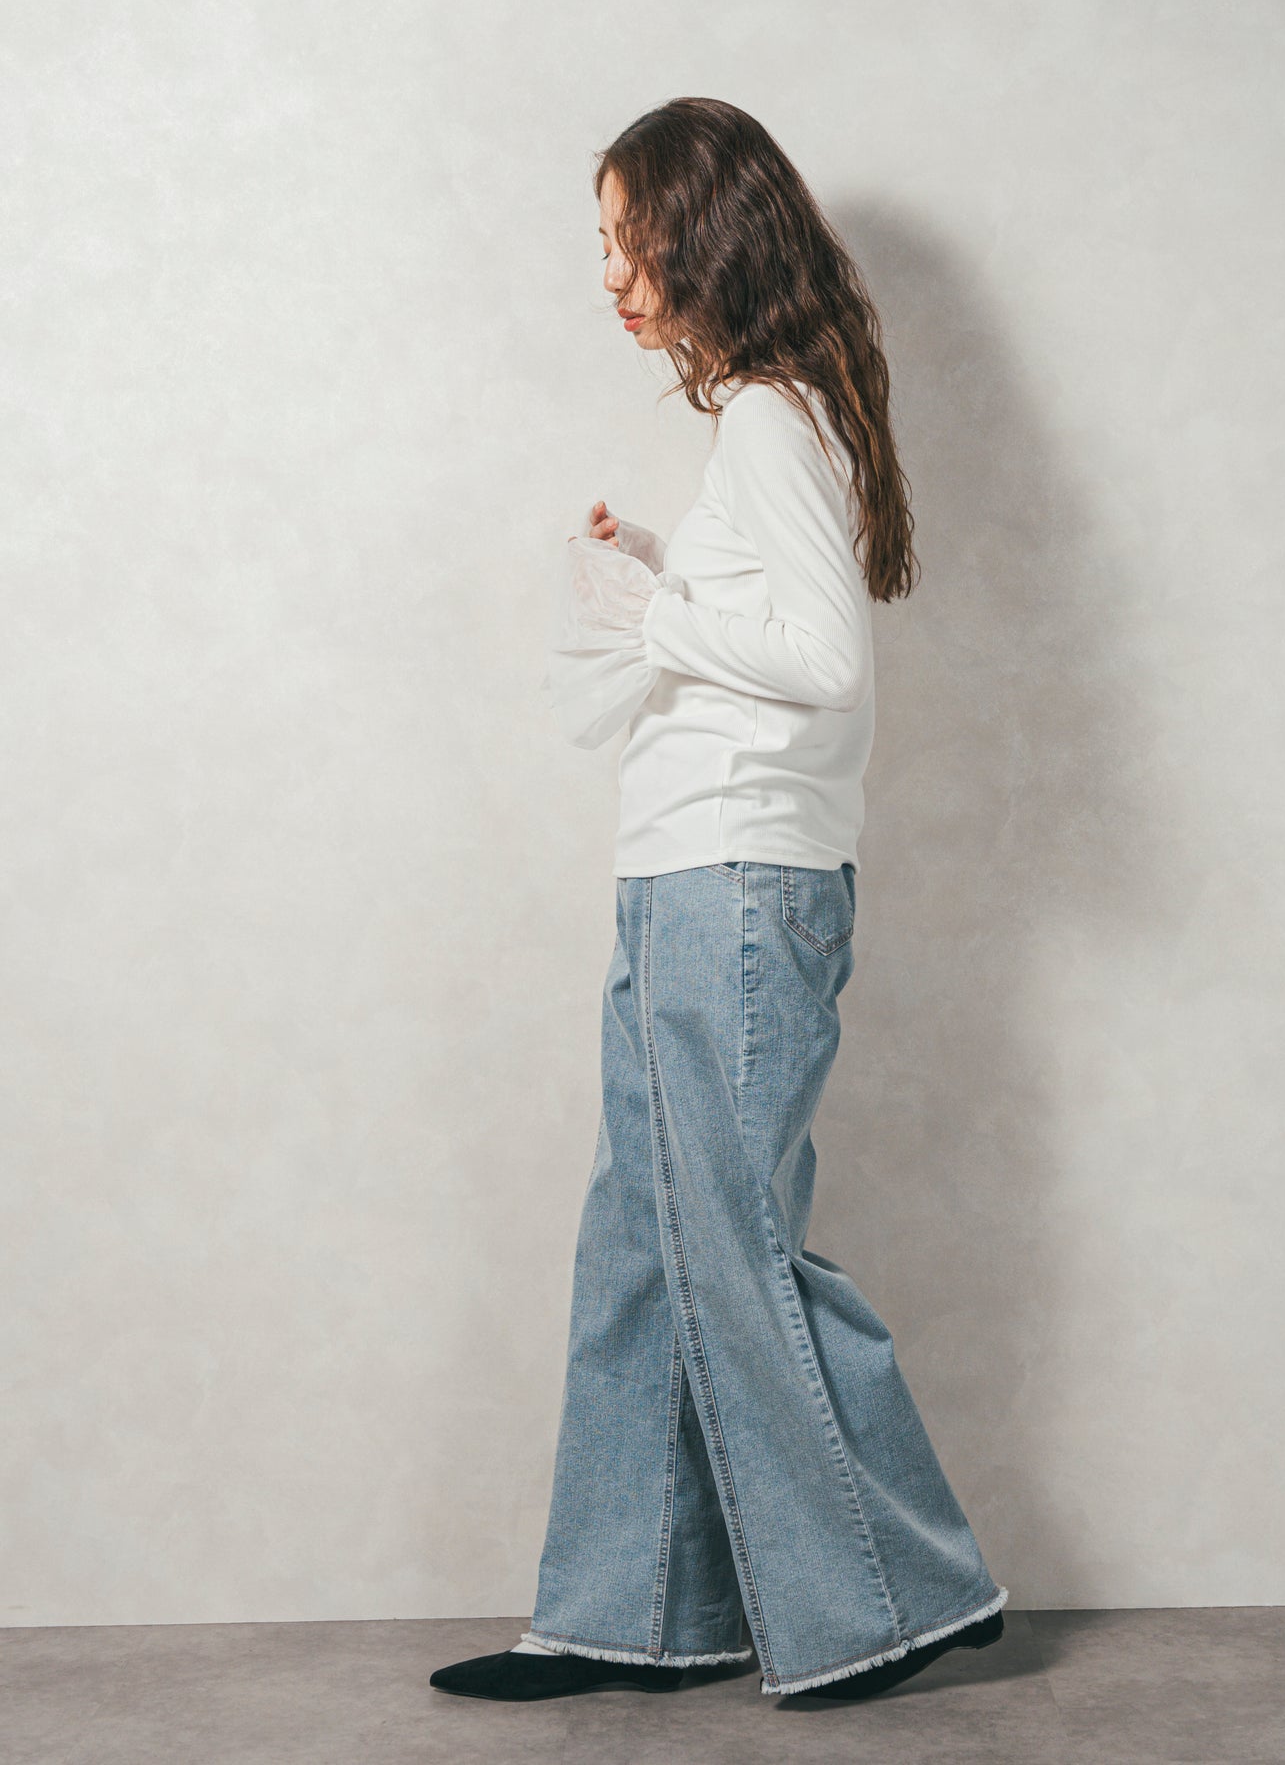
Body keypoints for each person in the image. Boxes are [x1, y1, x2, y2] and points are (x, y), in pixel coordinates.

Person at [430, 96, 1006, 1708]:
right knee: (642, 1241)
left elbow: (823, 661)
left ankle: (901, 1594)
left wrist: (659, 619)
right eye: (603, 246)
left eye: (634, 242)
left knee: (728, 1246)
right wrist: (664, 566)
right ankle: (628, 1616)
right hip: (689, 875)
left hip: (735, 887)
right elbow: (766, 619)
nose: (613, 277)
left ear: (710, 234)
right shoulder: (768, 422)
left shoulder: (766, 415)